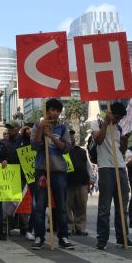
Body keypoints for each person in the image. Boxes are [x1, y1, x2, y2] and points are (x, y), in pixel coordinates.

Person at [30, 98, 75, 250]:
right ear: (47, 110)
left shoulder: (62, 128)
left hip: (58, 171)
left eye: (57, 110)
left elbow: (66, 148)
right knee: (40, 206)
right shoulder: (37, 125)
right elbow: (34, 146)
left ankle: (63, 236)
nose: (54, 113)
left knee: (61, 206)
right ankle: (39, 236)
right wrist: (41, 130)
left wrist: (51, 137)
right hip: (42, 169)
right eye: (52, 110)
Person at [91, 102, 132, 250]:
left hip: (120, 167)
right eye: (117, 116)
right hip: (105, 168)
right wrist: (106, 122)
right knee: (104, 206)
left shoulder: (118, 127)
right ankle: (102, 239)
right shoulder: (96, 123)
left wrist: (125, 140)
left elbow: (121, 150)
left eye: (120, 118)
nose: (118, 120)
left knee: (122, 206)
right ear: (111, 113)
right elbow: (98, 140)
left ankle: (123, 237)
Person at [66, 128, 95, 236]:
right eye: (69, 136)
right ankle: (69, 226)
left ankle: (80, 227)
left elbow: (87, 165)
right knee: (67, 207)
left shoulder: (81, 151)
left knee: (82, 206)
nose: (71, 138)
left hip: (82, 183)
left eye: (72, 136)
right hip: (68, 183)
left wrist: (91, 179)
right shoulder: (63, 150)